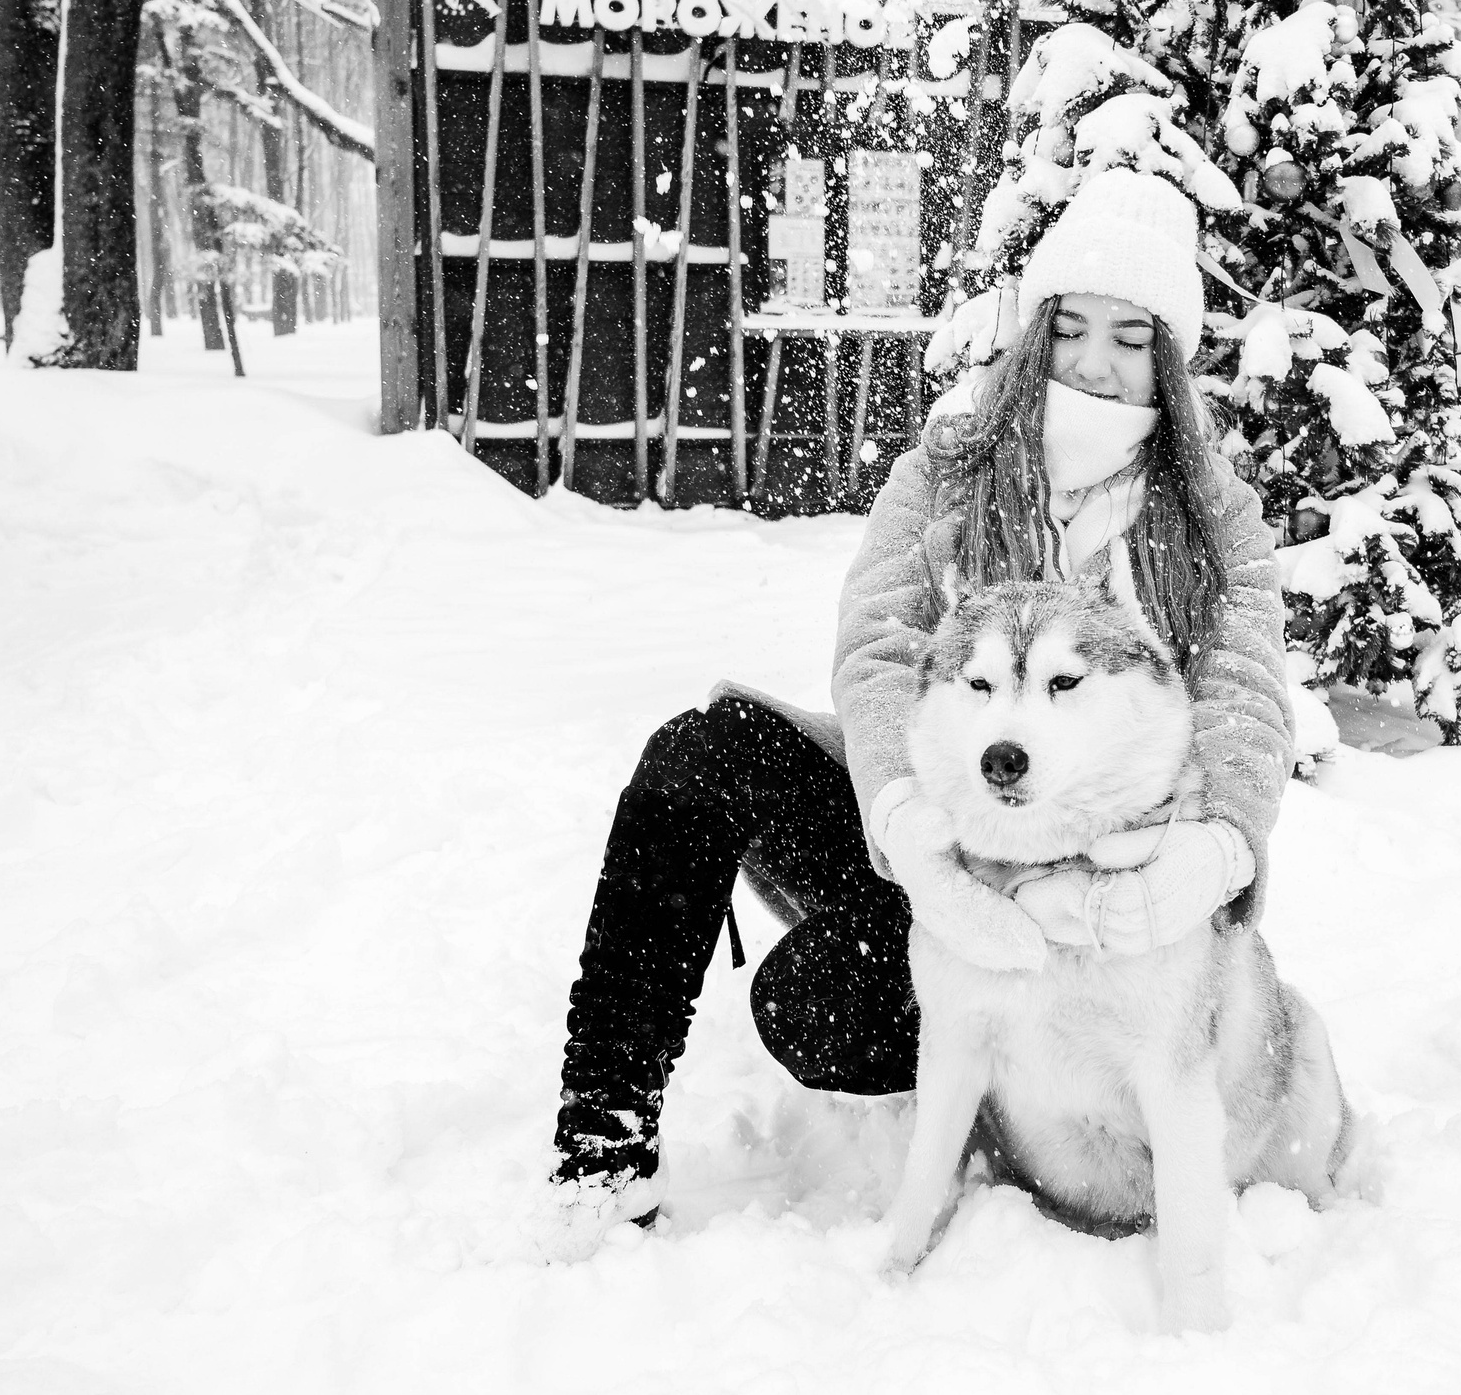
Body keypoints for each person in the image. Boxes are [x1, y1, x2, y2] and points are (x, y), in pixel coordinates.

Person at [551, 169, 1294, 1221]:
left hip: (1099, 906)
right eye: (1072, 325)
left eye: (1131, 338)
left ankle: (1013, 1091)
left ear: (1170, 360)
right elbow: (878, 650)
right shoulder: (949, 468)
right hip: (928, 852)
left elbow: (1247, 697)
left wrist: (1215, 848)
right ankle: (600, 1148)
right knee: (702, 753)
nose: (1093, 361)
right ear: (1035, 331)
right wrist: (910, 833)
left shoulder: (1214, 516)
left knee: (834, 996)